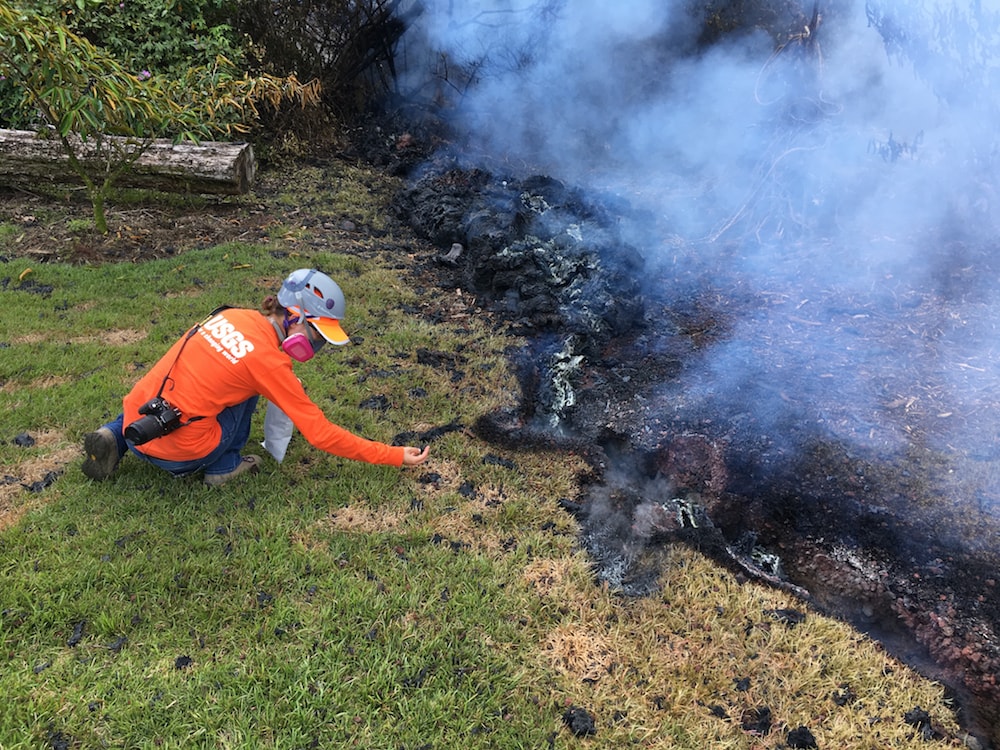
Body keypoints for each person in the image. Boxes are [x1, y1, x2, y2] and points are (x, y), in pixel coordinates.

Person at [81, 268, 430, 486]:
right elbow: (321, 435)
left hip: (135, 423)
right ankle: (225, 466)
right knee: (247, 392)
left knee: (183, 377)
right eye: (318, 335)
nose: (318, 344)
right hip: (179, 456)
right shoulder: (269, 364)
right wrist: (393, 455)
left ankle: (112, 436)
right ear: (296, 318)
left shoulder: (229, 315)